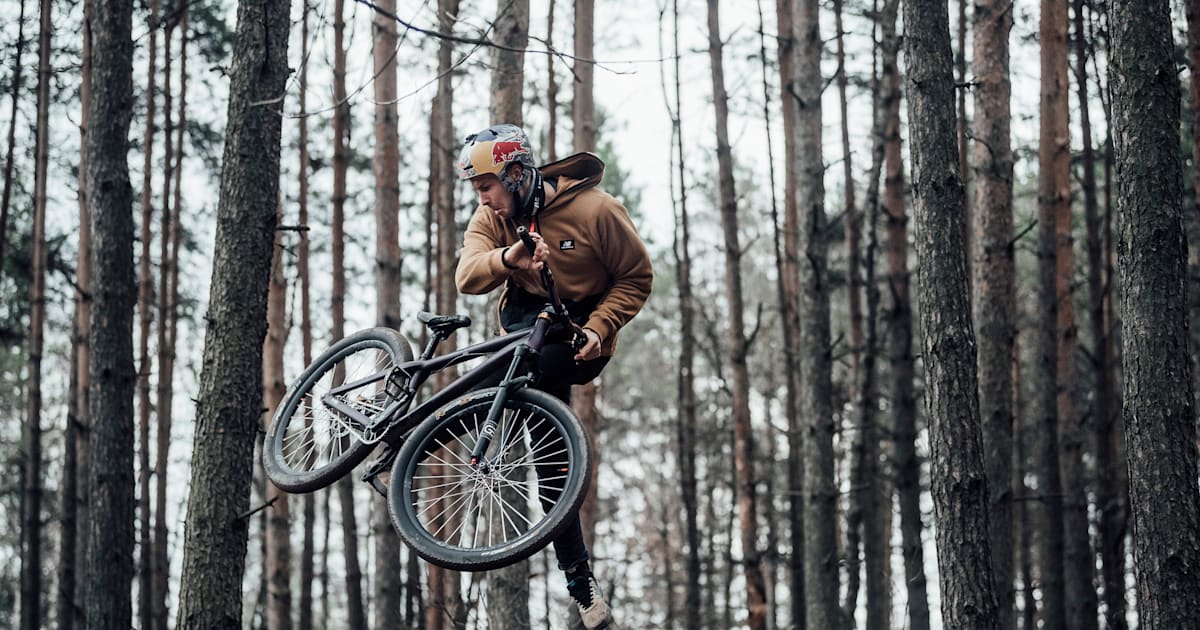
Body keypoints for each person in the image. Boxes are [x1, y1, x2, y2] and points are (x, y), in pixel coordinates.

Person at [454, 124, 653, 629]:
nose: (484, 200)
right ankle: (405, 450)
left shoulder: (596, 211)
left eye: (487, 187)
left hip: (580, 331)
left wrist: (600, 327)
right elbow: (467, 275)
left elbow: (636, 276)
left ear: (517, 174)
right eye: (477, 192)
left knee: (547, 440)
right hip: (525, 323)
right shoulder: (491, 218)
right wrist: (510, 257)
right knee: (506, 412)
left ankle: (582, 587)